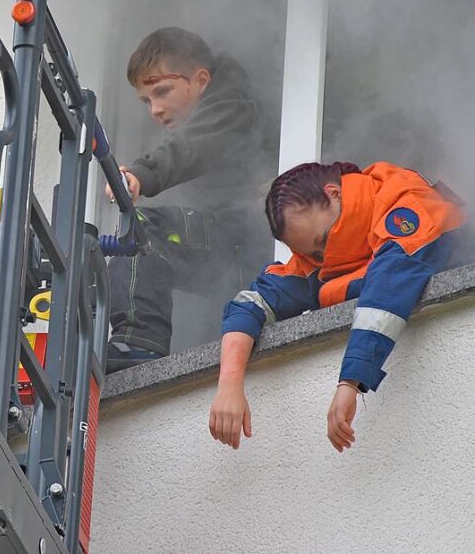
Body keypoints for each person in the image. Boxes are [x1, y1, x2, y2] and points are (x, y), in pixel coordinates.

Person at [208, 161, 464, 452]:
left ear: (334, 193)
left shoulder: (409, 205)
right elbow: (251, 304)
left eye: (325, 241)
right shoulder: (319, 255)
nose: (324, 257)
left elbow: (389, 283)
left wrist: (350, 383)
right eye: (313, 253)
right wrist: (229, 384)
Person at [104, 27, 266, 372]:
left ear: (201, 81)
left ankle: (139, 344)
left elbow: (198, 143)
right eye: (147, 100)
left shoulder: (232, 106)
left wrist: (141, 174)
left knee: (142, 231)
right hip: (231, 248)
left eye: (162, 91)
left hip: (256, 248)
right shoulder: (211, 112)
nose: (155, 110)